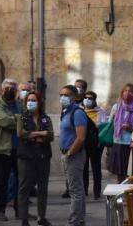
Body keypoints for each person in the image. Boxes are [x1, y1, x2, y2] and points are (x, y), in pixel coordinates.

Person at [16, 90, 53, 226]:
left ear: (39, 102)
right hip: (26, 156)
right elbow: (21, 133)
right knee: (24, 187)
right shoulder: (22, 117)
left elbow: (50, 135)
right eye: (29, 101)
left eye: (33, 100)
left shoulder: (45, 118)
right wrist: (39, 134)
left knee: (43, 187)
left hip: (43, 156)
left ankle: (41, 216)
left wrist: (33, 135)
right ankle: (24, 218)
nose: (31, 103)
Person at [0, 78, 20, 221]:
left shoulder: (19, 105)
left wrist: (17, 120)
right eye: (7, 88)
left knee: (21, 181)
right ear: (2, 89)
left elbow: (26, 121)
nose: (10, 91)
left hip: (19, 149)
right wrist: (18, 120)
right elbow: (4, 121)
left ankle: (20, 210)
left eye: (12, 89)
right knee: (2, 181)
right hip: (3, 149)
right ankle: (0, 210)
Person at [59, 85, 88, 226]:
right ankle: (80, 219)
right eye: (61, 94)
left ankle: (74, 221)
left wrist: (70, 153)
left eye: (67, 95)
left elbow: (81, 137)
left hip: (74, 156)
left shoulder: (77, 113)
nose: (63, 97)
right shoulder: (66, 112)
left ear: (75, 97)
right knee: (77, 189)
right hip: (68, 155)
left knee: (75, 190)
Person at [107, 83, 133, 182]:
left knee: (131, 170)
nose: (127, 93)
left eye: (130, 91)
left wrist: (130, 128)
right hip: (118, 142)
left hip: (131, 142)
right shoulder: (116, 107)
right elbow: (110, 123)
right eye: (125, 91)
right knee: (119, 170)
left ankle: (131, 191)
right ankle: (120, 190)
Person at [82, 90, 108, 200]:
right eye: (86, 98)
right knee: (84, 167)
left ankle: (97, 191)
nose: (87, 100)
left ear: (94, 100)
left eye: (90, 98)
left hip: (96, 143)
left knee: (96, 167)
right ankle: (84, 190)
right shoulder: (80, 111)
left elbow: (102, 127)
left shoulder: (100, 112)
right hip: (83, 142)